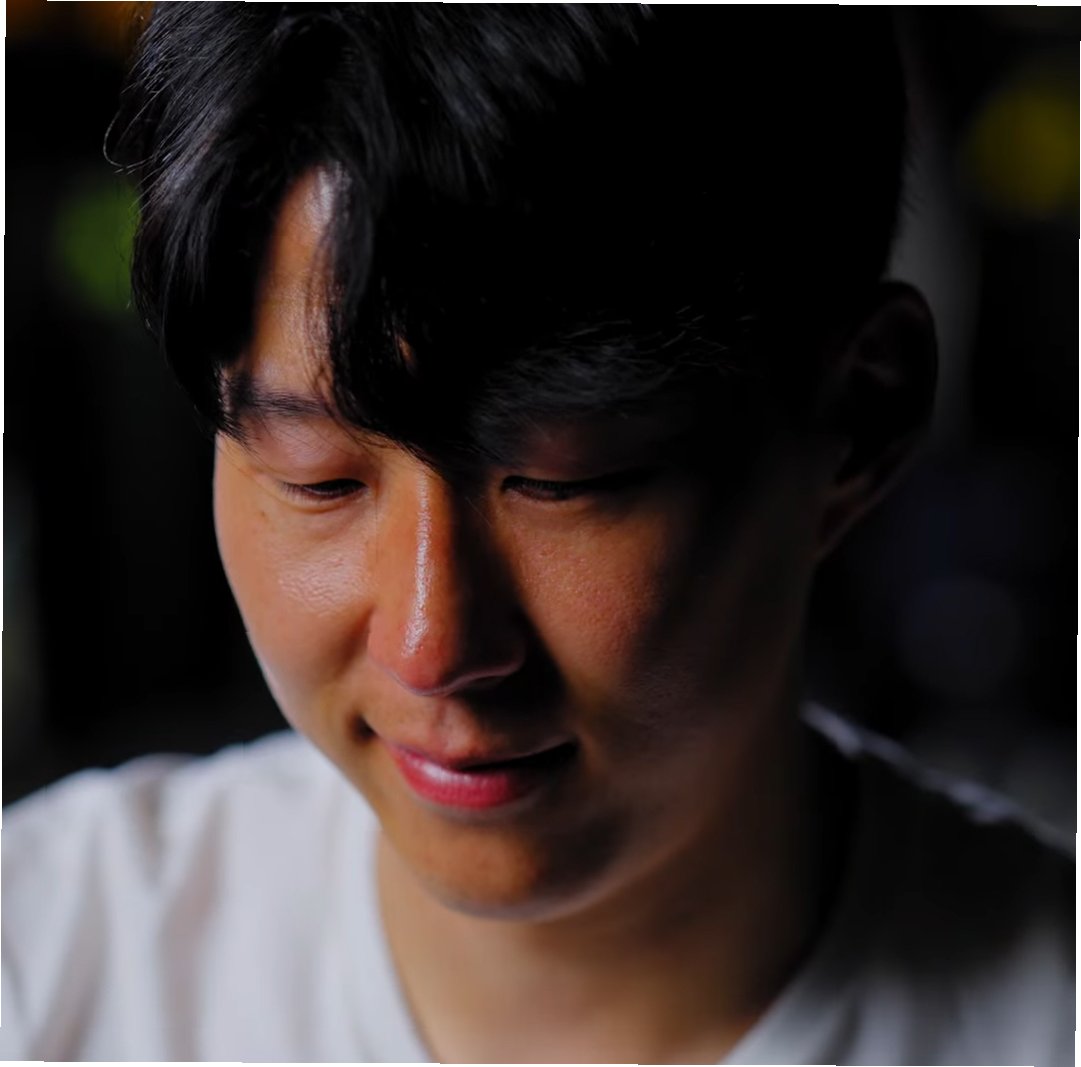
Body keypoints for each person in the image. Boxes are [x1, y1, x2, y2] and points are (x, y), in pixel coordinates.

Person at [1, 6, 1072, 1064]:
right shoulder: (48, 966)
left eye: (564, 482)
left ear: (857, 420)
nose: (431, 643)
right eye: (317, 478)